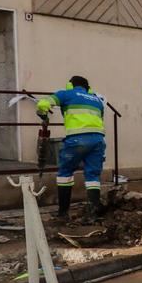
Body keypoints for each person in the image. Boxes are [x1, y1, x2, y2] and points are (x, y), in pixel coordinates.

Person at [37, 76, 106, 220]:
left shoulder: (66, 94)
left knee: (65, 173)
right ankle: (94, 212)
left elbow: (44, 103)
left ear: (70, 85)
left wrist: (42, 112)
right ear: (88, 88)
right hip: (98, 140)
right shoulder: (97, 100)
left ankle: (63, 213)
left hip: (77, 139)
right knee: (93, 175)